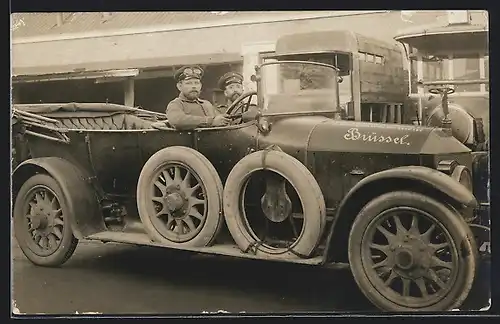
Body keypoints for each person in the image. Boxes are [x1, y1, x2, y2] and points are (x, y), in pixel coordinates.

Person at [165, 65, 231, 130]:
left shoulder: (207, 104)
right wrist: (210, 121)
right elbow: (177, 120)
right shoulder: (176, 104)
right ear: (179, 86)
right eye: (189, 83)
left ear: (201, 85)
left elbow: (218, 119)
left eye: (196, 83)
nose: (194, 86)